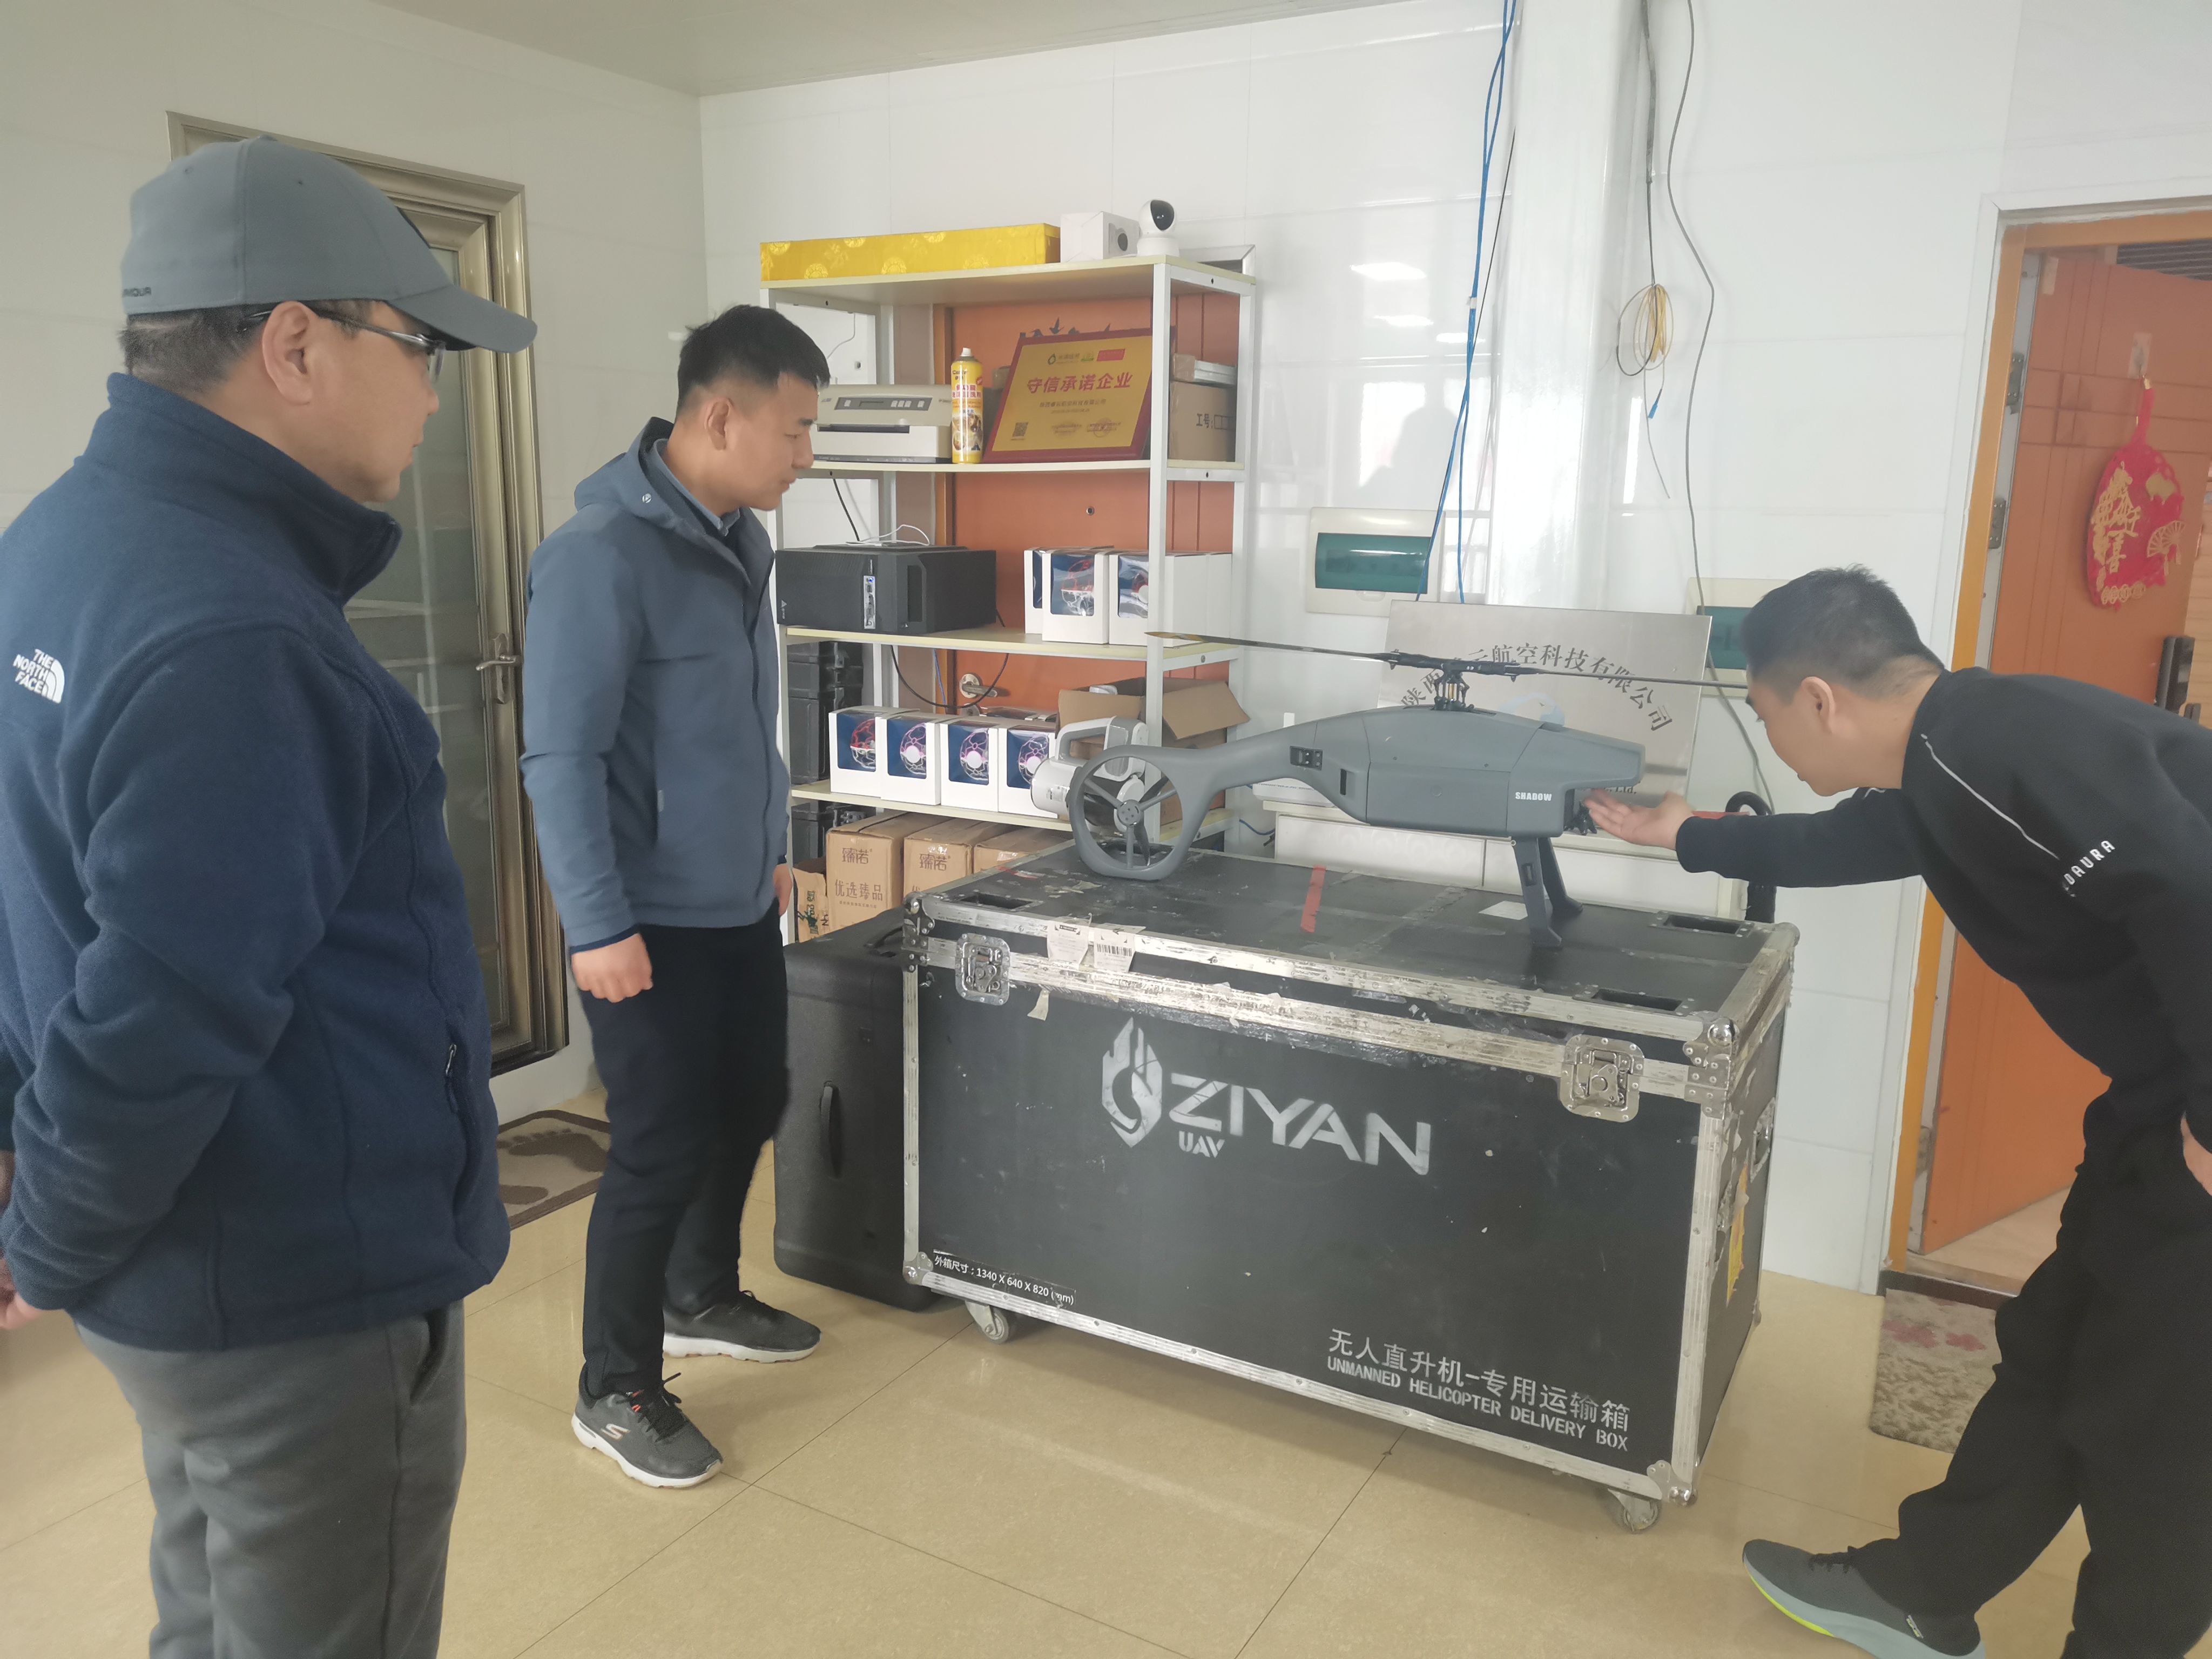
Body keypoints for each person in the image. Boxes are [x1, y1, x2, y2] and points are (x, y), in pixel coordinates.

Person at [0, 138, 535, 1656]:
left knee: (216, 1602)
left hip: (182, 1278)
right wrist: (48, 1236)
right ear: (295, 345)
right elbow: (161, 1008)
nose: (433, 396)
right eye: (419, 347)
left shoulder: (57, 544)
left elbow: (30, 892)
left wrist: (41, 1194)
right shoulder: (235, 630)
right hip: (294, 1289)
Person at [1590, 567, 2212, 1659]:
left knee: (2160, 1423)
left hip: (2197, 1114)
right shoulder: (1950, 759)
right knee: (2058, 1344)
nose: (1775, 743)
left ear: (1819, 699)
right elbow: (1846, 844)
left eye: (1767, 717)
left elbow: (2195, 890)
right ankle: (1922, 1589)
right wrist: (1686, 833)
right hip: (2160, 1099)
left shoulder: (1992, 749)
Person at [521, 304, 828, 1489]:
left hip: (736, 897)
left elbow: (728, 729)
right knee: (656, 1144)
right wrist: (596, 924)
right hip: (642, 919)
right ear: (722, 417)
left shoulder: (736, 537)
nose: (806, 455)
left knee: (751, 1098)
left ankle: (700, 1294)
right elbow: (562, 758)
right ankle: (614, 1386)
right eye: (795, 430)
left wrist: (765, 848)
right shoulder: (600, 555)